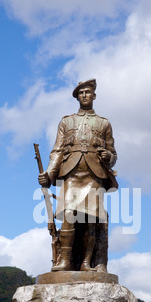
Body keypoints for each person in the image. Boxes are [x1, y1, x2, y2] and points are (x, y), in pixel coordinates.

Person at [39, 79, 117, 272]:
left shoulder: (104, 123)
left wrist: (109, 157)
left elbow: (113, 153)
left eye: (87, 92)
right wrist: (49, 175)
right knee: (68, 215)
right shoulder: (66, 121)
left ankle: (86, 263)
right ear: (77, 97)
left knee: (91, 219)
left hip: (94, 173)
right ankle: (65, 261)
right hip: (71, 172)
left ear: (94, 96)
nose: (84, 95)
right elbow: (57, 151)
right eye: (81, 92)